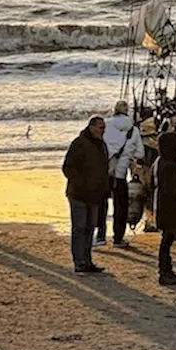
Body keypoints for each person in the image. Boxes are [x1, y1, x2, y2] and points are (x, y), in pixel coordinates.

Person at [62, 116, 109, 274]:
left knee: (90, 228)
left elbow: (104, 169)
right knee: (79, 228)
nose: (103, 131)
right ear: (91, 127)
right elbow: (68, 167)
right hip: (79, 194)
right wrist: (80, 183)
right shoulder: (79, 143)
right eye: (101, 128)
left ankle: (87, 260)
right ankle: (79, 262)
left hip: (95, 195)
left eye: (104, 128)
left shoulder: (101, 145)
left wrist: (105, 189)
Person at [99, 100, 144, 247]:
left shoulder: (106, 125)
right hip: (121, 174)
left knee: (102, 204)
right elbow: (140, 153)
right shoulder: (134, 130)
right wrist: (128, 156)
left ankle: (100, 236)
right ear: (127, 112)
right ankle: (118, 238)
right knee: (121, 206)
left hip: (105, 172)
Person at [153, 131, 176, 286]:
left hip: (163, 206)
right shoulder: (169, 165)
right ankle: (165, 272)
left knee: (167, 239)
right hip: (169, 207)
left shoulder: (162, 161)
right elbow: (170, 189)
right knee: (167, 240)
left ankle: (167, 270)